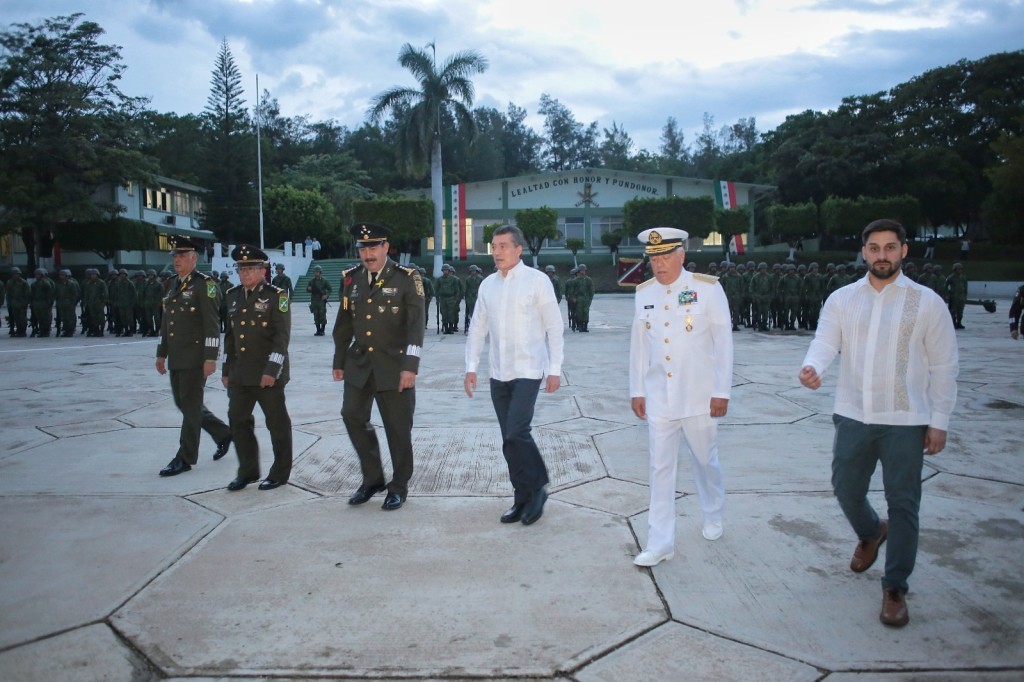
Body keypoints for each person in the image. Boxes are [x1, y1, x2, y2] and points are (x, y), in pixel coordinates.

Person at [798, 218, 958, 628]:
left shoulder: (928, 303)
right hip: (853, 414)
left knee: (904, 503)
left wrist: (938, 421)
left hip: (907, 421)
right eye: (874, 247)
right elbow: (825, 341)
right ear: (864, 252)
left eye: (890, 247)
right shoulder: (842, 299)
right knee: (845, 488)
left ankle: (894, 587)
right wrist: (812, 367)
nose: (882, 255)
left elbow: (944, 366)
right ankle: (871, 531)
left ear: (904, 251)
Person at [629, 227, 733, 567]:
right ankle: (660, 543)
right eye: (654, 258)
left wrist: (722, 391)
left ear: (681, 255)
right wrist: (637, 390)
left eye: (665, 256)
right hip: (660, 397)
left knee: (705, 459)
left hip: (699, 396)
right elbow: (638, 347)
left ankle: (713, 511)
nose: (658, 264)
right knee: (660, 468)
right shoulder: (643, 293)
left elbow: (723, 342)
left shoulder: (707, 289)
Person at [464, 225, 564, 526]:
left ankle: (538, 488)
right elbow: (477, 328)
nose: (497, 252)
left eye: (503, 246)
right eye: (494, 246)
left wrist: (555, 369)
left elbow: (554, 326)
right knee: (508, 440)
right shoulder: (488, 286)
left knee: (516, 432)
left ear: (518, 250)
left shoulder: (537, 281)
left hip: (529, 370)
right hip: (499, 372)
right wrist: (471, 366)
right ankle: (521, 497)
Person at [333, 223, 425, 511]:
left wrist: (410, 366)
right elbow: (344, 322)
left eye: (373, 247)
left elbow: (415, 327)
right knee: (351, 415)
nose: (368, 254)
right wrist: (339, 361)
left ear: (386, 247)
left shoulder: (408, 278)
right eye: (363, 248)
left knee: (398, 429)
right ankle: (372, 478)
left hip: (395, 366)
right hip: (360, 364)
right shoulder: (351, 280)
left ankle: (398, 486)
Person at [155, 237, 233, 477]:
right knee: (184, 403)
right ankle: (223, 433)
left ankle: (185, 457)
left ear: (194, 258)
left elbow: (212, 325)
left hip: (196, 357)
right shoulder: (173, 285)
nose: (177, 260)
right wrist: (162, 352)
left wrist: (210, 358)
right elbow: (168, 323)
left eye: (182, 255)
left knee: (190, 407)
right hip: (177, 357)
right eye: (175, 256)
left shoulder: (205, 285)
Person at [221, 245, 293, 492]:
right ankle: (248, 471)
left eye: (251, 268)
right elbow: (230, 337)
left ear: (263, 270)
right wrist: (226, 369)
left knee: (277, 423)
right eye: (241, 268)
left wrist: (271, 370)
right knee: (237, 420)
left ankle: (280, 473)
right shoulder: (232, 295)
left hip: (267, 373)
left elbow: (281, 338)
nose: (245, 273)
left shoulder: (276, 296)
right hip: (240, 373)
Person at [435, 264, 463, 334]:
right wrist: (437, 299)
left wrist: (456, 299)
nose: (445, 271)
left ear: (449, 271)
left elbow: (457, 290)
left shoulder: (454, 279)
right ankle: (446, 328)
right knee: (444, 313)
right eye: (444, 270)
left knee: (451, 314)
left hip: (451, 298)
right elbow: (436, 290)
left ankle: (451, 328)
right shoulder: (439, 279)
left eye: (446, 270)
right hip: (443, 298)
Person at [306, 265, 332, 336]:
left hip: (321, 300)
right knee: (315, 315)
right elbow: (307, 289)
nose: (316, 273)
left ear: (320, 272)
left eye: (317, 272)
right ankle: (318, 330)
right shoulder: (311, 281)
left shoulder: (324, 280)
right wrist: (309, 289)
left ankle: (322, 330)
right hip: (314, 300)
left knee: (322, 315)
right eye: (315, 272)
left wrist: (326, 296)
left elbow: (330, 289)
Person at [6, 267, 30, 336]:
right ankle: (19, 330)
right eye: (14, 274)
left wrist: (26, 302)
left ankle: (23, 331)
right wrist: (9, 302)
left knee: (22, 318)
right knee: (16, 318)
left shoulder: (23, 282)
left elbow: (27, 293)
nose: (15, 275)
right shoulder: (10, 282)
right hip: (14, 303)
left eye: (17, 274)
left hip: (22, 302)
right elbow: (8, 293)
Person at [572, 264, 595, 332]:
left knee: (586, 312)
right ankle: (580, 326)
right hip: (578, 299)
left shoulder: (588, 280)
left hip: (586, 299)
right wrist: (573, 297)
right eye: (581, 270)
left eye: (584, 270)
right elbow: (572, 290)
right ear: (579, 271)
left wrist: (591, 298)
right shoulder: (576, 280)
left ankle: (585, 326)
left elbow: (592, 289)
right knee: (579, 313)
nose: (582, 272)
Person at [945, 262, 968, 330]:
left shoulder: (963, 277)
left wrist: (965, 294)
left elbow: (965, 286)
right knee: (953, 311)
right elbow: (946, 286)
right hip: (954, 296)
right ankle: (953, 323)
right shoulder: (950, 277)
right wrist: (947, 293)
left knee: (960, 311)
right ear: (954, 270)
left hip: (961, 296)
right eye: (958, 269)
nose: (959, 270)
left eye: (960, 269)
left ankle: (959, 322)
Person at [463, 264, 483, 333]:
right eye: (471, 271)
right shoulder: (468, 279)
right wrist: (466, 297)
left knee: (478, 313)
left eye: (474, 271)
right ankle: (469, 326)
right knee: (470, 313)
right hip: (470, 297)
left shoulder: (480, 278)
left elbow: (482, 288)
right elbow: (466, 289)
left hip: (478, 297)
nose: (473, 272)